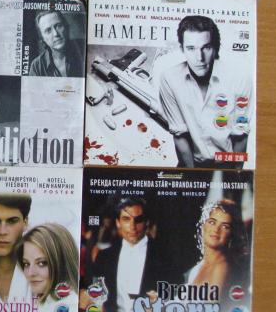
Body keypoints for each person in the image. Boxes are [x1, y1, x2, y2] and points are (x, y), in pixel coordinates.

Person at [159, 16, 252, 168]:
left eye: (206, 47)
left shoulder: (239, 78)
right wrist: (193, 177)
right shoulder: (170, 78)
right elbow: (180, 135)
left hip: (226, 163)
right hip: (190, 164)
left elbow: (240, 136)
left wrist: (235, 176)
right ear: (182, 49)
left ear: (215, 48)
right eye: (191, 48)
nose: (199, 58)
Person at [88, 198, 166, 312]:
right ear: (118, 222)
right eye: (126, 219)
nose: (132, 226)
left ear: (147, 222)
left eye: (138, 220)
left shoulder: (164, 256)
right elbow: (96, 298)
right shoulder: (104, 257)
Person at [187, 199, 248, 293]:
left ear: (231, 234)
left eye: (225, 226)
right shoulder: (201, 266)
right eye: (212, 222)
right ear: (203, 226)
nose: (216, 230)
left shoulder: (221, 268)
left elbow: (212, 303)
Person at [18, 223, 79, 311]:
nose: (30, 273)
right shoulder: (46, 304)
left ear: (62, 263)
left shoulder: (69, 306)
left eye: (42, 263)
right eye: (26, 264)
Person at [29, 10, 85, 77]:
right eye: (48, 30)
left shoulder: (84, 49)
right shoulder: (37, 66)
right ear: (42, 39)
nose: (56, 34)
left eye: (59, 26)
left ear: (67, 27)